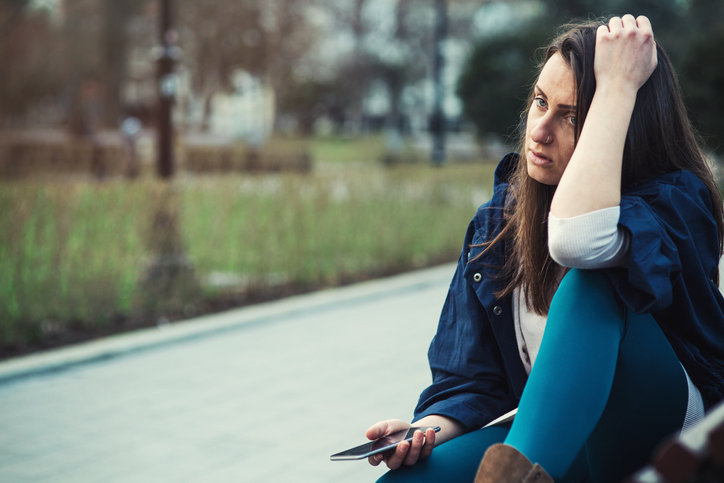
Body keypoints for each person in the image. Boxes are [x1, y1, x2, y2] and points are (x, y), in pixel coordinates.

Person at [364, 15, 724, 483]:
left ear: (622, 125)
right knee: (407, 480)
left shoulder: (675, 200)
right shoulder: (497, 222)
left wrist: (616, 88)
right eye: (540, 102)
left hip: (666, 430)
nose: (539, 130)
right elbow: (469, 380)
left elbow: (576, 241)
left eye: (571, 115)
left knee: (590, 284)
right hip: (555, 447)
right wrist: (423, 432)